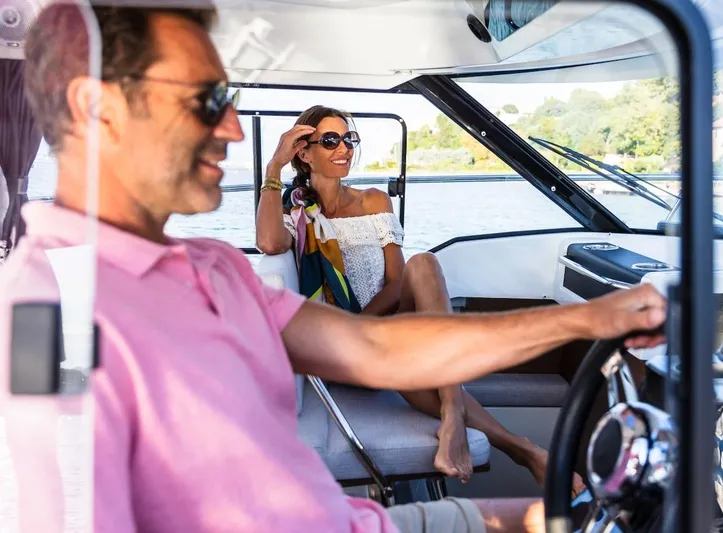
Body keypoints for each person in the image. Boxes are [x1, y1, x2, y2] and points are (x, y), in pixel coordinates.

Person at [0, 3, 667, 533]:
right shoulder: (49, 315)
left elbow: (372, 346)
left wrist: (588, 316)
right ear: (98, 109)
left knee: (556, 515)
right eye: (207, 99)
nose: (233, 127)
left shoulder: (212, 269)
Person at [255, 105, 584, 494]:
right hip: (342, 348)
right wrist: (274, 168)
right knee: (410, 361)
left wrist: (373, 324)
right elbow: (268, 243)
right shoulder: (297, 215)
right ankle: (520, 448)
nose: (344, 148)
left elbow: (397, 283)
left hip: (389, 323)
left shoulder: (375, 200)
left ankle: (455, 416)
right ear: (304, 153)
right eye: (330, 140)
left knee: (424, 263)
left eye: (349, 139)